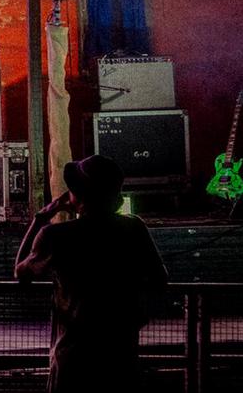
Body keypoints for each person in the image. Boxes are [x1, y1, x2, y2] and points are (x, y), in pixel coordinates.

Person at [15, 154, 168, 392]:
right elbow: (160, 279)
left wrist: (41, 218)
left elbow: (21, 272)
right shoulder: (133, 228)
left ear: (79, 195)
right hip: (121, 354)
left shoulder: (56, 236)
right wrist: (137, 317)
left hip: (73, 356)